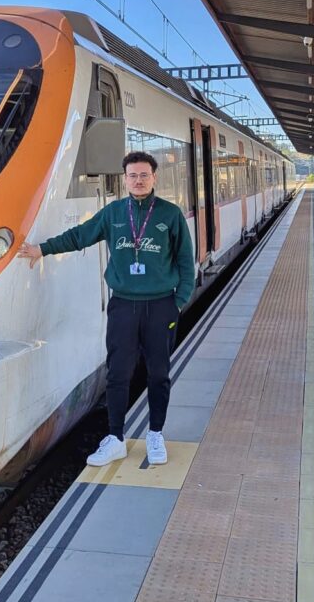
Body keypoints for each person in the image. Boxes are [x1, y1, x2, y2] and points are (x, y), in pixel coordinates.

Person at [17, 150, 195, 467]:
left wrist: (177, 303)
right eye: (132, 175)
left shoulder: (170, 215)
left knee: (158, 374)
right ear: (124, 179)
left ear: (154, 178)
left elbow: (185, 262)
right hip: (123, 306)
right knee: (118, 373)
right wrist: (42, 249)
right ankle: (115, 438)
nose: (138, 180)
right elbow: (80, 236)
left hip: (160, 307)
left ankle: (156, 434)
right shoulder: (113, 213)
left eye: (144, 175)